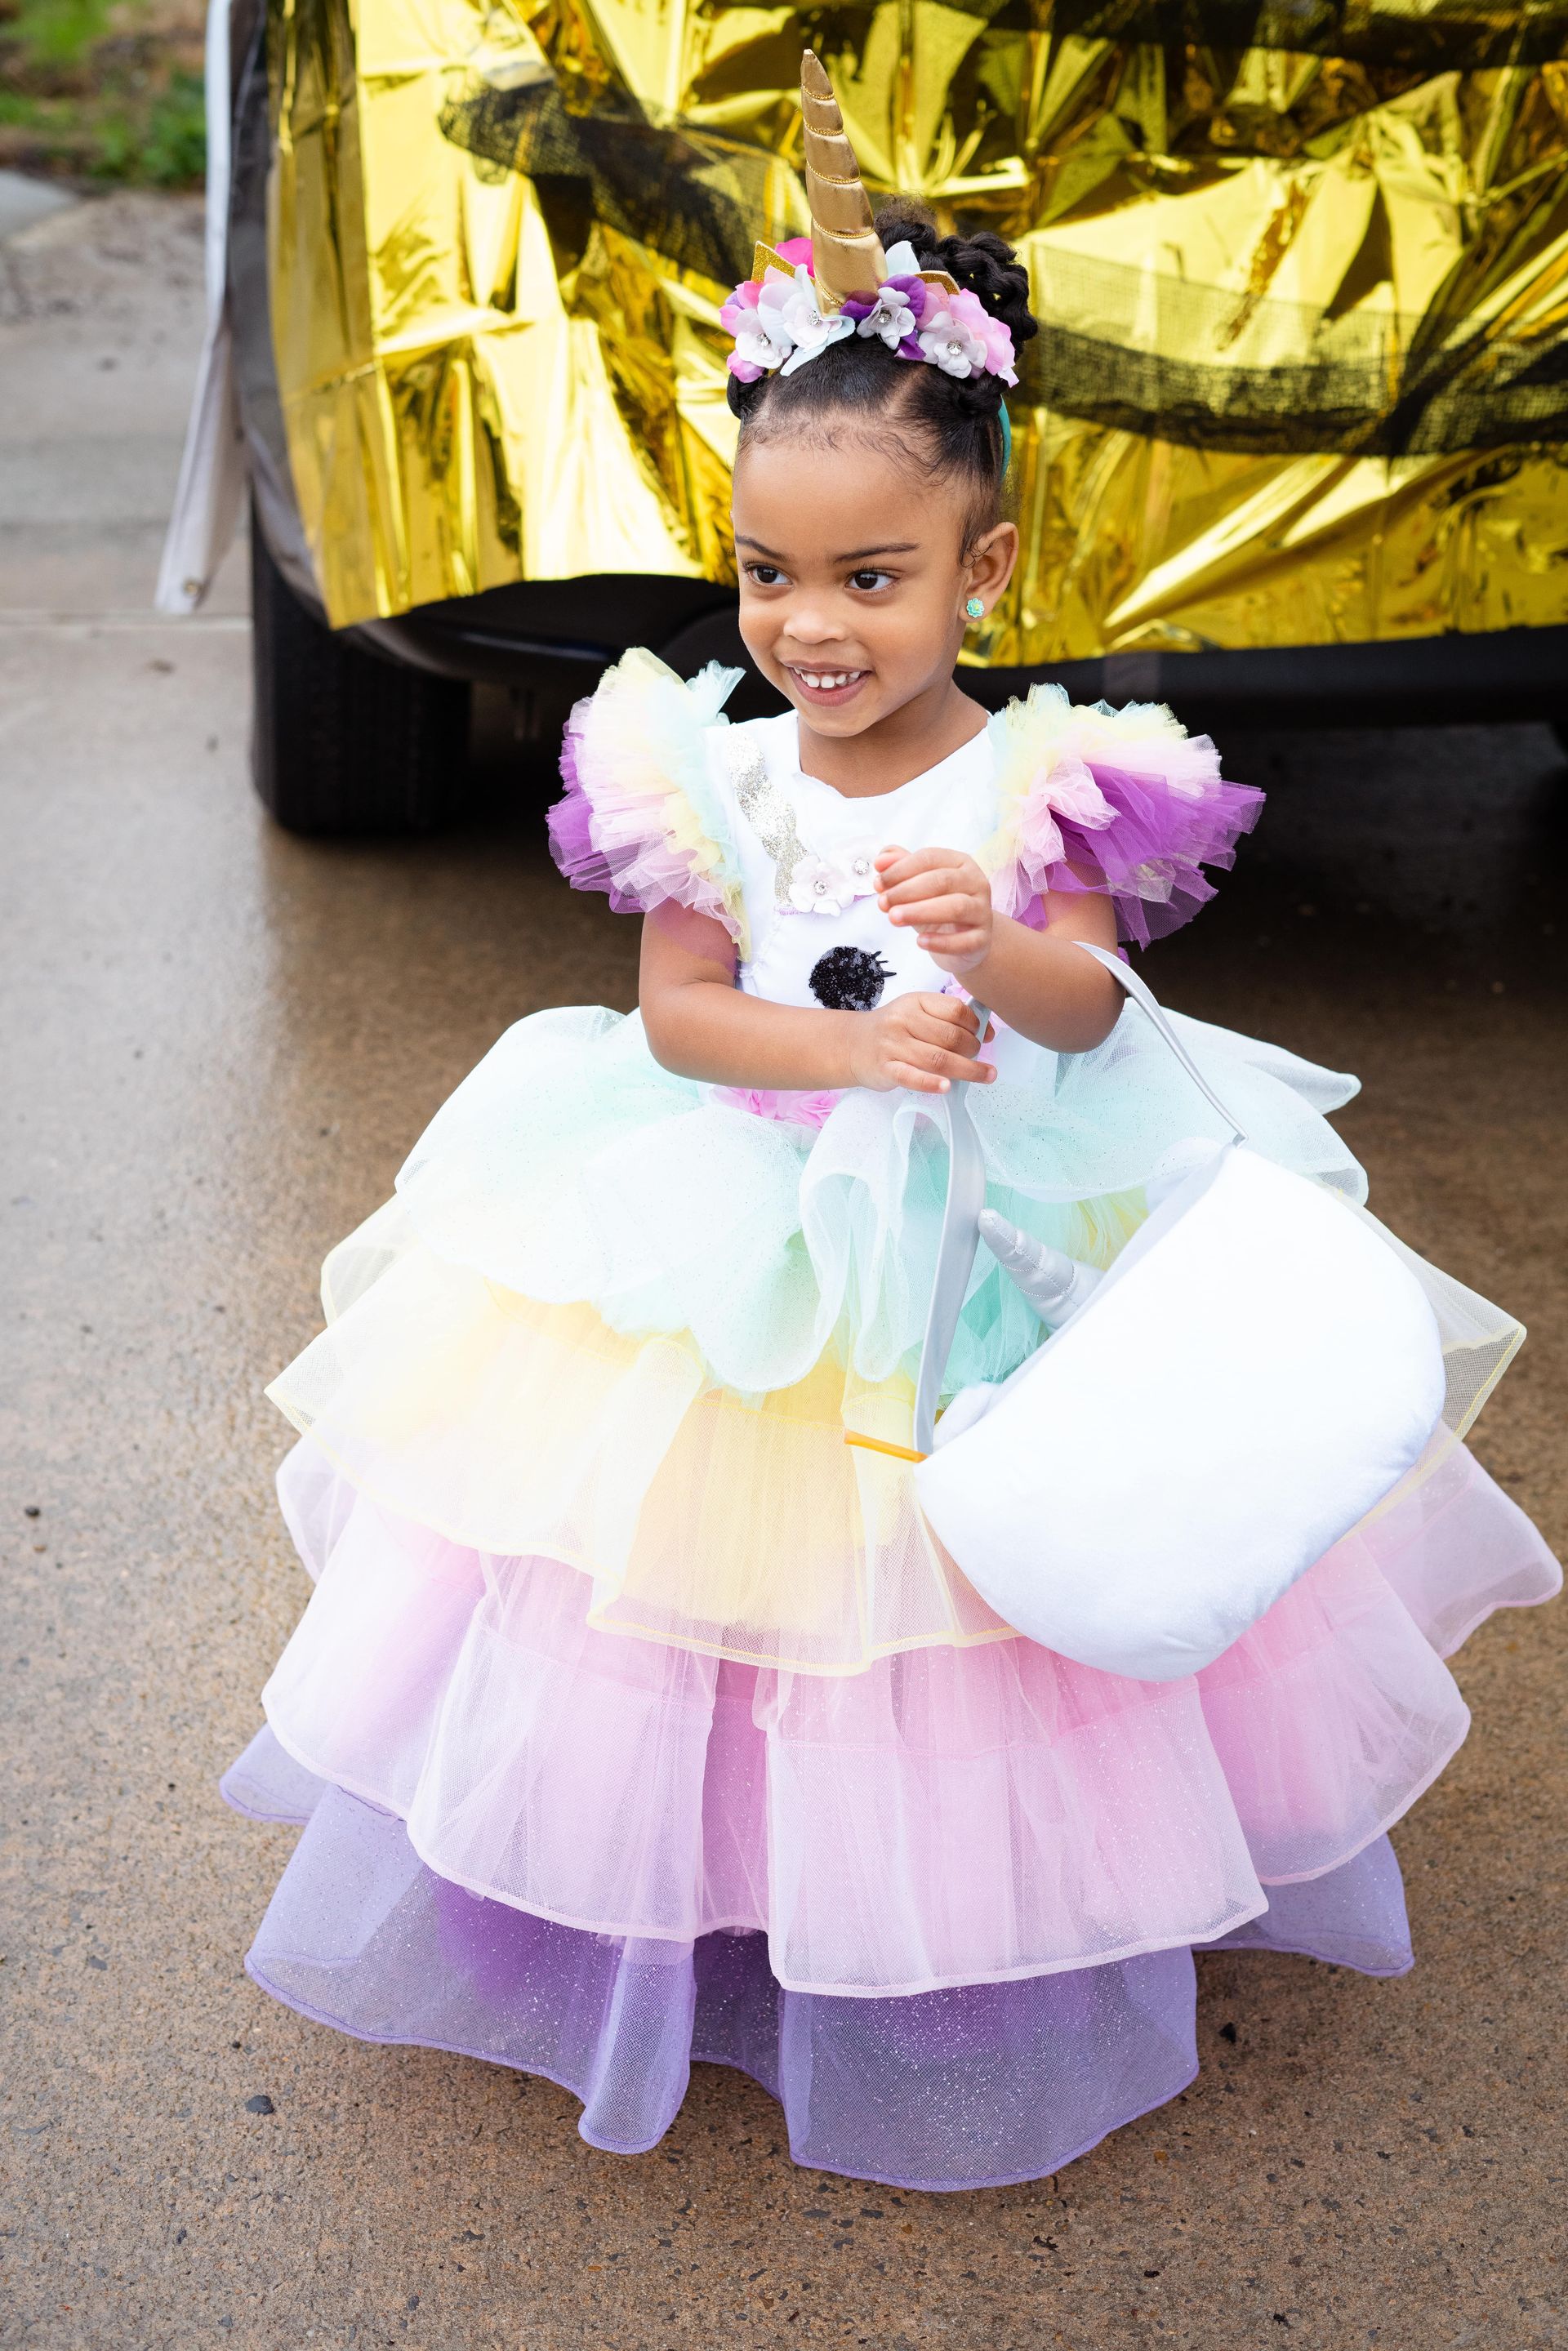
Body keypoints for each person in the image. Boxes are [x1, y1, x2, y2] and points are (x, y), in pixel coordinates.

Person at [222, 56, 1560, 2192]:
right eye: (769, 573)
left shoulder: (1051, 777)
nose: (810, 625)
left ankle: (959, 1919)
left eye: (871, 577)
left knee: (971, 1585)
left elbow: (1093, 1006)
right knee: (700, 1574)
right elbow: (678, 1018)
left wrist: (988, 943)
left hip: (987, 1216)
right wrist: (838, 1054)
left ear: (981, 568)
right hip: (747, 1226)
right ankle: (668, 1880)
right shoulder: (694, 760)